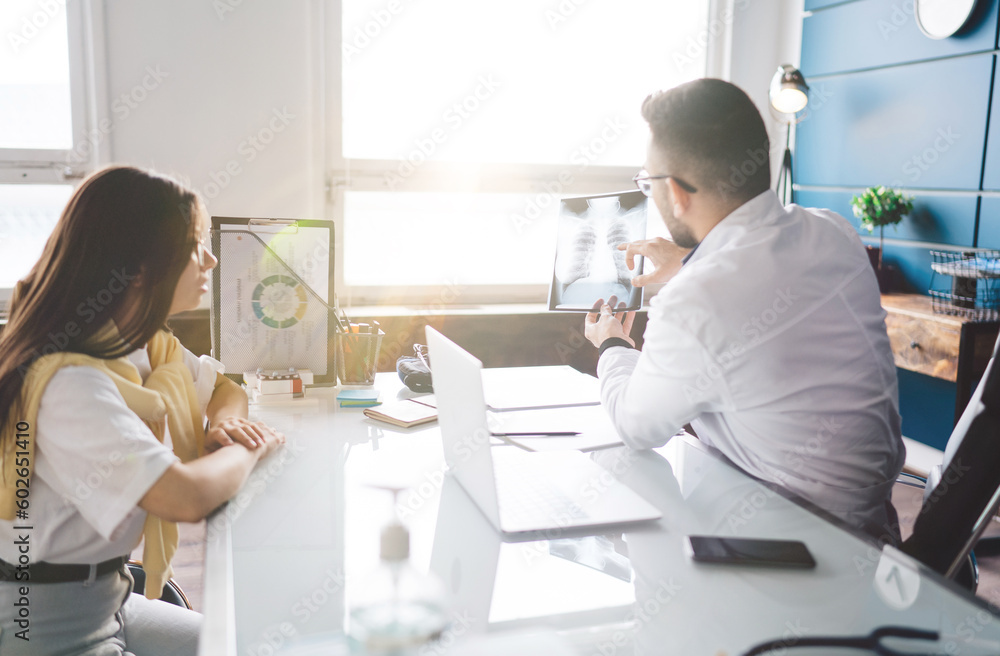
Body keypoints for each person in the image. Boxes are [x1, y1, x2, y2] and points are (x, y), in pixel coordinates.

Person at [584, 79, 905, 538]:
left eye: (647, 181)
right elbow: (758, 277)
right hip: (873, 528)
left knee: (628, 502)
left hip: (790, 549)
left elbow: (638, 427)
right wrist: (689, 262)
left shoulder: (696, 299)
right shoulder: (834, 233)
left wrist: (611, 343)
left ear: (675, 193)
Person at [0, 166, 285, 654]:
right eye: (196, 246)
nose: (211, 260)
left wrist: (227, 424)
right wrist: (248, 450)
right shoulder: (68, 385)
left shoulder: (139, 347)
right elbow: (184, 497)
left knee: (257, 645)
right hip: (42, 625)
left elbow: (224, 388)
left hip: (111, 598)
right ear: (139, 269)